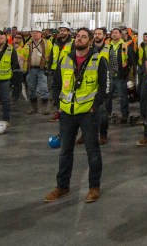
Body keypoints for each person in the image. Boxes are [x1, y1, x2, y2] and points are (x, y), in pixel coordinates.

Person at [44, 28, 107, 203]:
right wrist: (59, 105)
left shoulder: (98, 60)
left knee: (92, 151)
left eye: (83, 37)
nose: (79, 39)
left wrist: (94, 106)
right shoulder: (66, 59)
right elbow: (56, 84)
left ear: (91, 40)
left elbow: (105, 87)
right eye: (78, 36)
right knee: (65, 151)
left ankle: (94, 187)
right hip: (67, 113)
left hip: (88, 113)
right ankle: (62, 186)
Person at [25, 26, 52, 114]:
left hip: (42, 69)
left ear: (41, 34)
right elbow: (22, 55)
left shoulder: (47, 43)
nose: (35, 34)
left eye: (37, 32)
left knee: (43, 88)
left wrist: (49, 67)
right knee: (31, 89)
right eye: (33, 32)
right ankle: (34, 108)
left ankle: (44, 108)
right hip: (31, 69)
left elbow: (52, 55)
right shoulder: (28, 44)